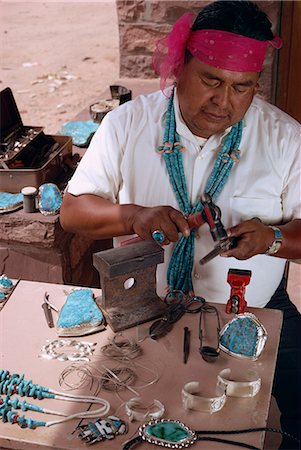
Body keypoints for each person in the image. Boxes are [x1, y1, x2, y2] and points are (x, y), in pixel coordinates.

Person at [60, 1, 301, 448]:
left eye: (242, 87)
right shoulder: (127, 124)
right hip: (145, 309)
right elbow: (72, 211)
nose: (223, 102)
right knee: (132, 410)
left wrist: (273, 239)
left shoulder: (285, 138)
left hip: (254, 308)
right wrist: (132, 214)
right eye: (211, 80)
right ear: (180, 65)